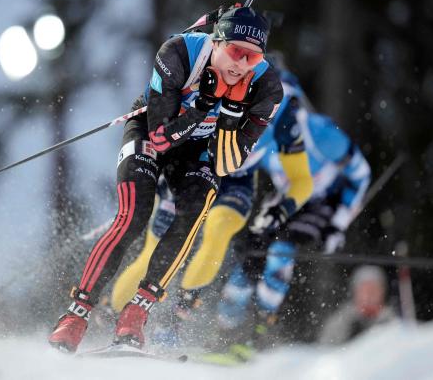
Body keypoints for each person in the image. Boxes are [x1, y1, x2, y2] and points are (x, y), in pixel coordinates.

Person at [48, 5, 283, 352]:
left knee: (193, 212)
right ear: (217, 42)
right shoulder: (178, 53)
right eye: (235, 52)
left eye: (252, 56)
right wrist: (203, 104)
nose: (241, 65)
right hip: (151, 130)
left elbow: (225, 163)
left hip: (200, 149)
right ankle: (76, 315)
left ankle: (136, 313)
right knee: (134, 216)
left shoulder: (266, 87)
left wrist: (231, 113)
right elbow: (160, 137)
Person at [108, 67, 314, 337]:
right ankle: (112, 316)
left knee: (219, 230)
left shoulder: (286, 112)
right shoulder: (220, 82)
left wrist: (281, 209)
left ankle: (176, 316)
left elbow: (301, 179)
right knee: (156, 249)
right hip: (192, 171)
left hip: (236, 181)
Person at [215, 107, 372, 349]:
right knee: (250, 253)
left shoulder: (318, 134)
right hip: (288, 200)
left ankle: (259, 334)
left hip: (321, 203)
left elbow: (360, 176)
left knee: (280, 250)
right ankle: (225, 330)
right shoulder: (256, 136)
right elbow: (234, 169)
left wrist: (337, 225)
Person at [318, 265, 397, 345]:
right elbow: (326, 350)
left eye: (373, 290)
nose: (369, 295)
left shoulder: (394, 322)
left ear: (383, 292)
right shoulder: (340, 321)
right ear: (355, 292)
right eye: (364, 290)